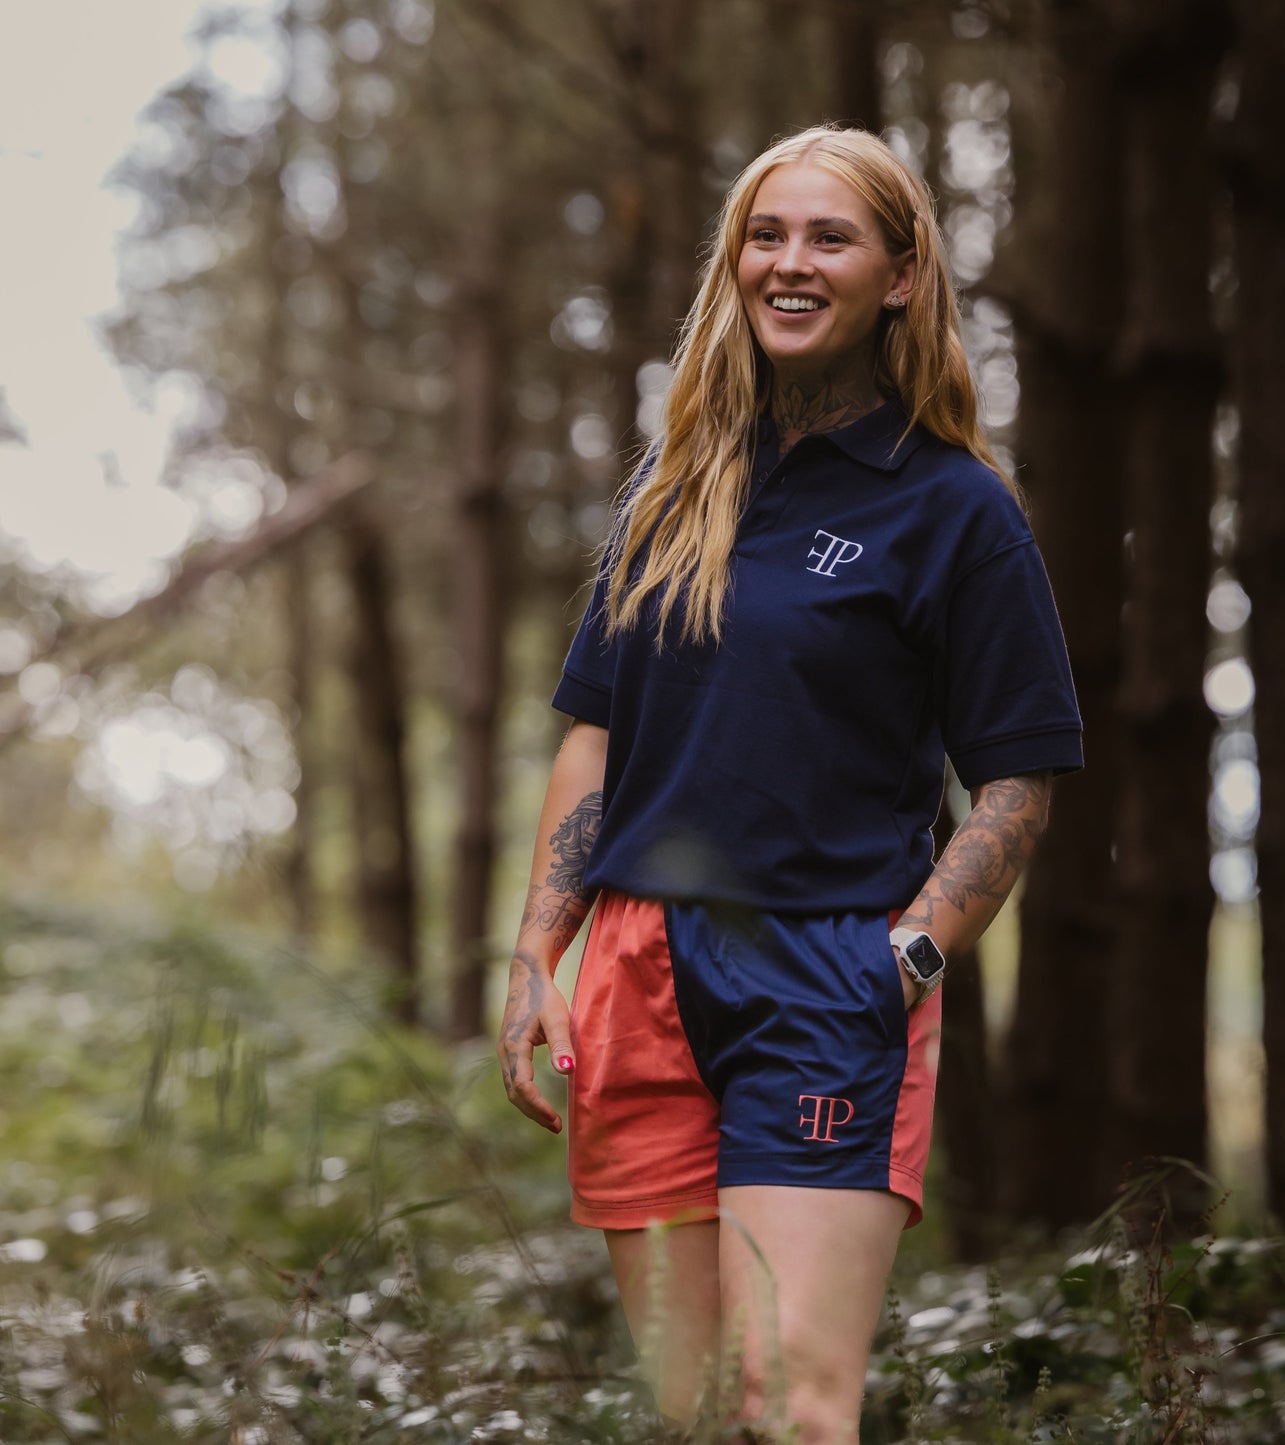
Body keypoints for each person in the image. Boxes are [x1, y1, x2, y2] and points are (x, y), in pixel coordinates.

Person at [497, 124, 1082, 1443]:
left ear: (900, 274)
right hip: (639, 965)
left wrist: (908, 963)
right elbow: (592, 733)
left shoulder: (953, 507)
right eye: (766, 235)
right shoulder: (672, 487)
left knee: (791, 1405)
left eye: (829, 236)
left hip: (825, 971)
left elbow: (1016, 785)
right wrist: (541, 950)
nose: (789, 263)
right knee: (690, 1409)